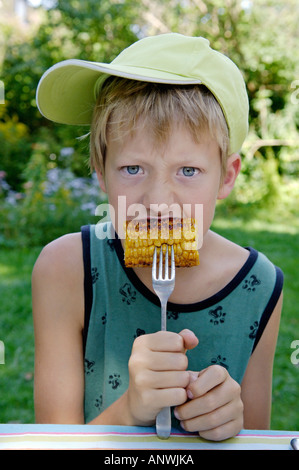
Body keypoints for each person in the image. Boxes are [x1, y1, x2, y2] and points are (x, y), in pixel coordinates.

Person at [32, 33, 283, 441]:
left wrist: (231, 426)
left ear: (228, 176)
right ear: (101, 173)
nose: (159, 203)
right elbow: (53, 445)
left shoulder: (260, 285)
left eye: (188, 171)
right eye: (133, 169)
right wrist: (129, 409)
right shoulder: (65, 268)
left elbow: (256, 438)